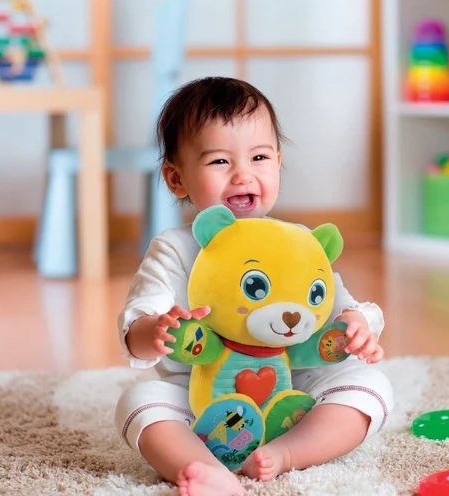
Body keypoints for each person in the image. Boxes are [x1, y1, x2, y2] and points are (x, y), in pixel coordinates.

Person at [114, 77, 394, 496]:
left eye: (259, 157)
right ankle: (208, 470)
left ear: (278, 163)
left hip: (292, 396)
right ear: (176, 178)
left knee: (371, 387)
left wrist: (358, 326)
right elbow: (135, 332)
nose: (242, 174)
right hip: (201, 407)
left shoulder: (296, 242)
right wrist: (156, 330)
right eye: (219, 161)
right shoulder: (174, 249)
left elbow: (343, 309)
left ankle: (285, 452)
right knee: (138, 403)